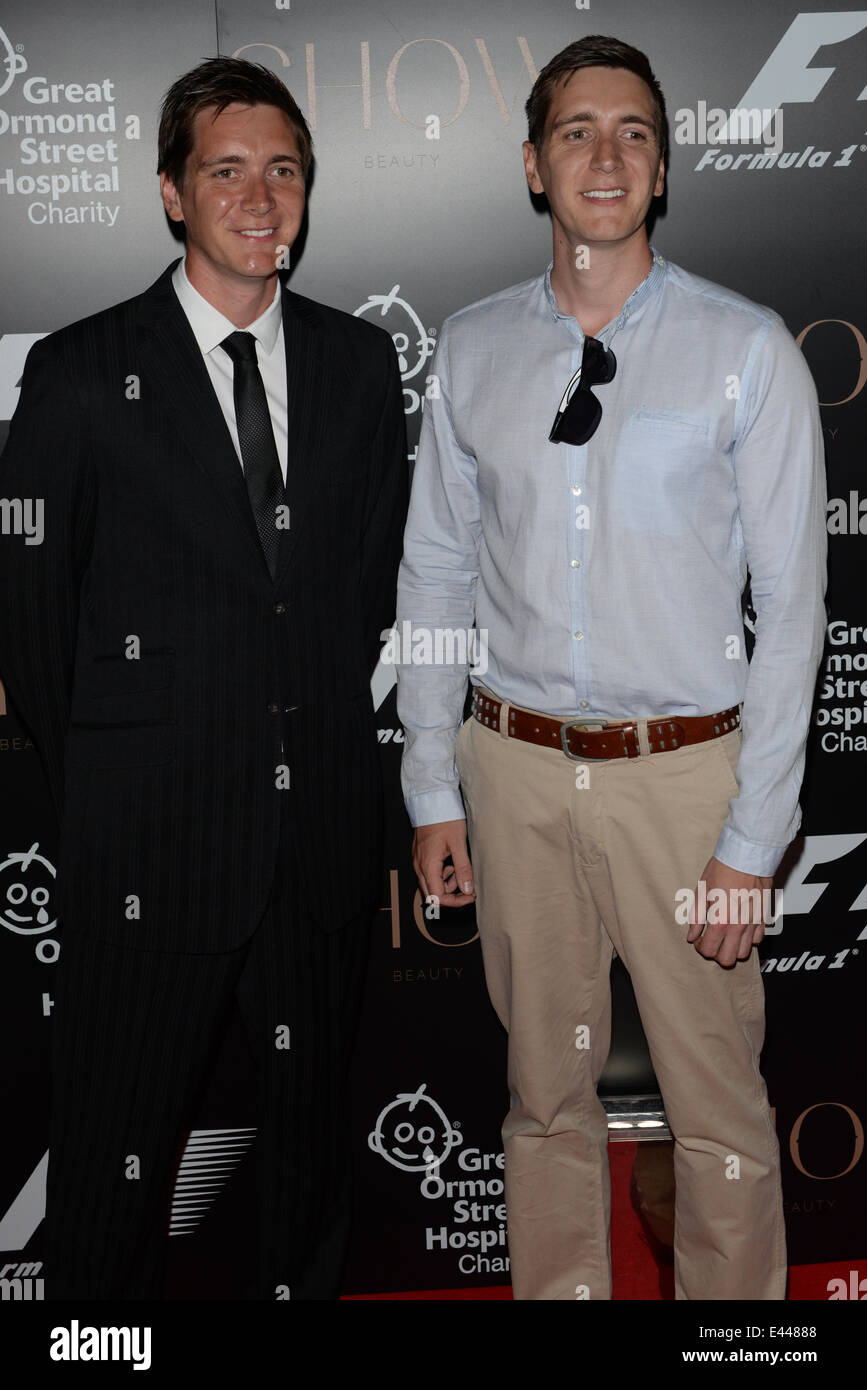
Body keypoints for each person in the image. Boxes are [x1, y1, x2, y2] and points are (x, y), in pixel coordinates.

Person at [395, 34, 826, 1300]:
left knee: (720, 1116)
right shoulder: (471, 353)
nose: (607, 153)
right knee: (543, 1102)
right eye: (578, 130)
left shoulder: (746, 351)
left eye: (634, 131)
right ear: (534, 165)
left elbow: (795, 612)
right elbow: (433, 581)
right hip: (514, 776)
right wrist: (433, 787)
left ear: (663, 168)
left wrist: (756, 837)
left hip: (690, 788)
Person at [0, 56, 407, 1300]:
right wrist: (121, 798)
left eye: (283, 169)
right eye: (225, 169)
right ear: (173, 194)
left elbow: (369, 597)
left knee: (306, 1176)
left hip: (319, 854)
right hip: (147, 857)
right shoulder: (77, 373)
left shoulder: (356, 366)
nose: (257, 193)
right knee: (111, 1178)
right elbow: (32, 628)